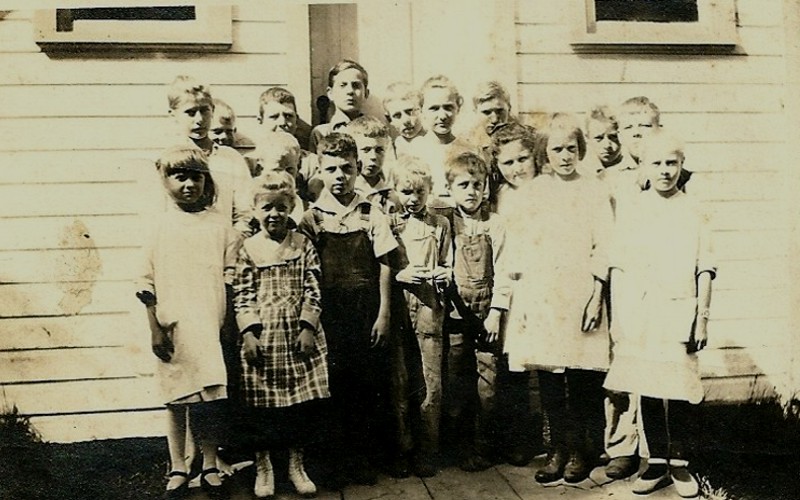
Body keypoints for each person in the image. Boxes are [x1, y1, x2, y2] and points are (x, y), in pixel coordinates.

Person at [604, 131, 714, 498]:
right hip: (641, 310)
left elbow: (705, 266)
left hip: (680, 308)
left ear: (682, 165)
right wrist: (620, 317)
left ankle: (680, 465)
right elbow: (618, 266)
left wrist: (702, 316)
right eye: (657, 163)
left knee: (679, 387)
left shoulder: (694, 208)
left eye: (672, 163)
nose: (665, 171)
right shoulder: (634, 209)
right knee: (648, 383)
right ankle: (655, 462)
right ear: (644, 167)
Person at [503, 113, 612, 484]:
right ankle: (557, 449)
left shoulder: (594, 189)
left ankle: (583, 449)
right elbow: (521, 248)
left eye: (571, 148)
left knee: (582, 377)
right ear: (544, 153)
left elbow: (604, 245)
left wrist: (597, 296)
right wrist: (526, 300)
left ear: (580, 149)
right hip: (545, 294)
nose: (564, 156)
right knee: (550, 377)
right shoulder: (534, 192)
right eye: (556, 149)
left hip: (581, 294)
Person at [136, 145, 237, 499]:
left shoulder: (218, 224)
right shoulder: (159, 225)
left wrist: (227, 322)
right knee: (176, 398)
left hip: (209, 320)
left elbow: (230, 275)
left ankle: (209, 461)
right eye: (180, 176)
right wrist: (155, 328)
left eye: (196, 176)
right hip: (172, 324)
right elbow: (144, 281)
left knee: (210, 396)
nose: (189, 184)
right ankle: (179, 464)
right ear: (166, 181)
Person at [298, 133, 398, 487]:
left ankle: (363, 459)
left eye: (347, 168)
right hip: (329, 313)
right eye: (332, 169)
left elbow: (387, 264)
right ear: (320, 171)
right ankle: (332, 464)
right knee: (331, 386)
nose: (340, 175)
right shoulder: (312, 218)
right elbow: (306, 270)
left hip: (366, 311)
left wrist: (384, 314)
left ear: (358, 169)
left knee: (366, 385)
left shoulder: (371, 211)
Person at [233, 171, 330, 499]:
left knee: (297, 407)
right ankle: (264, 466)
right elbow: (243, 292)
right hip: (264, 339)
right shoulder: (248, 248)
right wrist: (248, 332)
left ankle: (296, 464)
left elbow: (314, 287)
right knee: (262, 408)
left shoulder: (302, 244)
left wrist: (308, 328)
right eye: (266, 208)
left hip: (296, 338)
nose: (274, 214)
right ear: (255, 210)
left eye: (281, 207)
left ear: (291, 207)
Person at [440, 150, 511, 472]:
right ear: (450, 188)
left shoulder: (495, 224)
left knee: (488, 385)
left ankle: (485, 445)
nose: (471, 191)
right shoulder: (444, 223)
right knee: (456, 382)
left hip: (487, 315)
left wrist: (496, 311)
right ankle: (458, 447)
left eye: (477, 184)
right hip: (455, 314)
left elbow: (506, 269)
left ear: (486, 188)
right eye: (463, 185)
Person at [390, 156, 452, 477]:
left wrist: (443, 273)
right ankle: (402, 448)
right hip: (399, 306)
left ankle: (428, 450)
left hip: (429, 306)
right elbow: (384, 268)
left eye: (420, 193)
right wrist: (401, 274)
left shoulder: (440, 225)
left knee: (431, 382)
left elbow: (447, 262)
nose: (413, 199)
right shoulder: (390, 224)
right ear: (395, 190)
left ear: (429, 191)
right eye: (406, 192)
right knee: (400, 381)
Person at [166, 76, 253, 236]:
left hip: (223, 246)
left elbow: (244, 212)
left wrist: (234, 242)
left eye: (204, 111)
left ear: (212, 110)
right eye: (190, 113)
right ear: (173, 114)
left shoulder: (230, 158)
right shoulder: (167, 158)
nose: (199, 120)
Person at [408, 75, 465, 205]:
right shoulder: (415, 149)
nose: (442, 116)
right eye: (434, 108)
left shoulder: (468, 149)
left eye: (448, 107)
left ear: (458, 109)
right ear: (421, 111)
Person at [257, 87, 319, 204]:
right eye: (274, 117)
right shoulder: (250, 162)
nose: (282, 123)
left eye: (288, 116)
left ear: (297, 120)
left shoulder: (312, 164)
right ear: (260, 120)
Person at [308, 60, 370, 153]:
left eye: (356, 85)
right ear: (330, 93)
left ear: (366, 93)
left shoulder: (377, 132)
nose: (350, 91)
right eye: (343, 85)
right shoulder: (321, 133)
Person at [345, 116, 400, 212]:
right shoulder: (345, 191)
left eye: (379, 150)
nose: (373, 156)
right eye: (366, 150)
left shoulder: (392, 195)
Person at [248, 132, 306, 225]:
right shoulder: (251, 207)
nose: (285, 178)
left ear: (298, 167)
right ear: (260, 169)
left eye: (290, 170)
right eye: (277, 170)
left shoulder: (304, 210)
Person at [489, 122, 540, 215]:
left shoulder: (549, 187)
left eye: (522, 159)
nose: (517, 169)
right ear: (497, 165)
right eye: (508, 163)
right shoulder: (498, 197)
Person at [382, 82, 425, 157]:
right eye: (397, 115)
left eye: (410, 112)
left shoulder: (435, 141)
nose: (406, 121)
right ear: (389, 120)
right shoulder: (393, 149)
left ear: (422, 110)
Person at [583, 105, 623, 175]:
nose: (607, 145)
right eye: (599, 138)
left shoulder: (634, 168)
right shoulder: (582, 171)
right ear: (587, 139)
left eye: (613, 137)